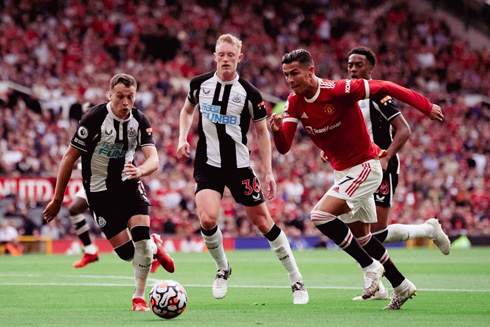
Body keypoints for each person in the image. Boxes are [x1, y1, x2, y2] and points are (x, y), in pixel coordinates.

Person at [270, 49, 445, 310]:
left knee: (320, 216)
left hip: (366, 166)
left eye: (294, 73)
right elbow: (284, 147)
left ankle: (370, 266)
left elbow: (385, 86)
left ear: (310, 70)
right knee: (364, 236)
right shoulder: (294, 101)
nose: (290, 79)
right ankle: (401, 285)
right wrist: (276, 132)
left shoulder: (338, 90)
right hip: (343, 171)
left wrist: (426, 106)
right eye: (285, 75)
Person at [176, 34, 309, 304]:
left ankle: (296, 280)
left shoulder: (250, 93)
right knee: (208, 219)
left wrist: (268, 171)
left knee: (263, 222)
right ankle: (223, 268)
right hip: (208, 164)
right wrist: (182, 138)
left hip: (239, 166)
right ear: (214, 56)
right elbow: (186, 110)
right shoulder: (200, 84)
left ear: (240, 57)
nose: (225, 59)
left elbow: (261, 131)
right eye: (221, 54)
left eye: (230, 54)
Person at [326, 46, 450, 301]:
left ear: (371, 68)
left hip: (380, 167)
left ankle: (427, 230)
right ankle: (378, 287)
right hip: (356, 166)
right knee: (358, 227)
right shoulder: (347, 97)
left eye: (358, 65)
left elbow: (404, 130)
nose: (352, 69)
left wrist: (386, 157)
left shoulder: (378, 96)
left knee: (374, 233)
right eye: (349, 64)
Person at [43, 73, 175, 311]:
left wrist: (141, 171)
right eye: (121, 97)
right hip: (99, 193)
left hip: (129, 185)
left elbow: (153, 158)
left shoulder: (140, 120)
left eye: (130, 97)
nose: (126, 102)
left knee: (141, 243)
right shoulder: (94, 119)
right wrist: (57, 198)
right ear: (110, 95)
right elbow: (68, 158)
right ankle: (155, 246)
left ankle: (139, 298)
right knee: (127, 254)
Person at [68, 188, 99, 267]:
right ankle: (90, 251)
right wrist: (57, 199)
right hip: (93, 182)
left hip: (116, 181)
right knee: (74, 209)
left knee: (126, 254)